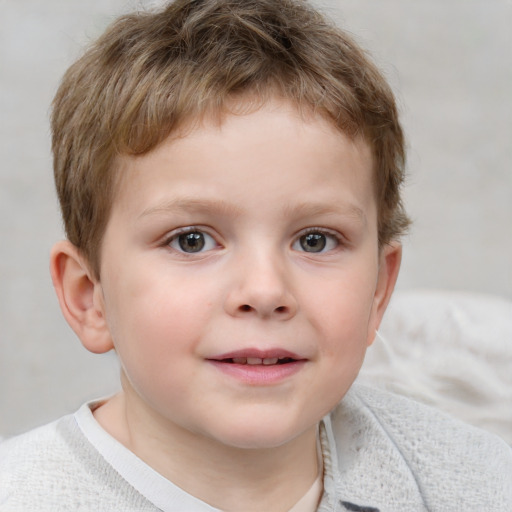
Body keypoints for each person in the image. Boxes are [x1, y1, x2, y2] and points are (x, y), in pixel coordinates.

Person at [0, 0, 510, 510]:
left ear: (378, 290)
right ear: (90, 297)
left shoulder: (480, 484)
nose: (265, 291)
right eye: (191, 240)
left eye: (315, 240)